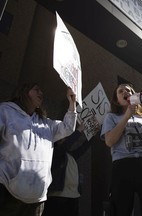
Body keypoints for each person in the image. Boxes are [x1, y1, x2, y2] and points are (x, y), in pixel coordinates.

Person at [0, 82, 77, 216]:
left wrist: (72, 102)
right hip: (8, 192)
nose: (41, 93)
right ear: (23, 92)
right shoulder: (5, 111)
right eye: (36, 89)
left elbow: (68, 127)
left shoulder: (46, 123)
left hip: (37, 198)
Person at [100, 83, 142, 216]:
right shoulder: (111, 117)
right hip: (122, 165)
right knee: (121, 207)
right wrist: (126, 116)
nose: (126, 92)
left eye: (129, 90)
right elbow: (109, 141)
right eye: (121, 91)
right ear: (117, 99)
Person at [43, 122, 93, 216]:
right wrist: (79, 130)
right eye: (62, 138)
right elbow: (66, 145)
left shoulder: (70, 155)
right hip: (57, 197)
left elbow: (83, 148)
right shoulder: (54, 153)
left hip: (73, 195)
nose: (65, 139)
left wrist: (92, 134)